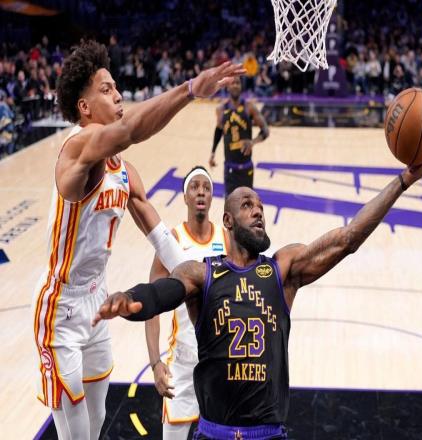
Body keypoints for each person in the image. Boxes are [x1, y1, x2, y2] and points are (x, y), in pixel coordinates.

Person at [93, 143, 422, 439]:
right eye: (247, 205)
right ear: (227, 220)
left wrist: (403, 181)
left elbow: (346, 239)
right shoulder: (203, 274)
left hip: (267, 434)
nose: (258, 212)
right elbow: (163, 293)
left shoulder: (282, 270)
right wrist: (132, 299)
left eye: (261, 207)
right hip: (214, 432)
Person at [31, 40, 244, 440]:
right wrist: (190, 90)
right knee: (76, 434)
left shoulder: (124, 171)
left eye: (116, 86)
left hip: (96, 299)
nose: (118, 95)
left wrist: (206, 284)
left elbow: (162, 239)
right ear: (84, 107)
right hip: (60, 309)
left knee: (97, 419)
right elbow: (129, 131)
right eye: (106, 89)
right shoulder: (77, 150)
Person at [145, 166, 230, 439]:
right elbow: (151, 306)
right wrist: (155, 363)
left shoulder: (226, 239)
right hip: (182, 363)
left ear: (212, 196)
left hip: (219, 361)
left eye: (206, 187)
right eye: (195, 187)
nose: (201, 192)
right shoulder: (173, 241)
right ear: (185, 196)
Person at [209, 77, 269, 196]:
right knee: (230, 204)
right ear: (227, 87)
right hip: (230, 168)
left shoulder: (249, 107)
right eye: (232, 83)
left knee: (247, 204)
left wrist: (253, 142)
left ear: (241, 86)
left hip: (246, 167)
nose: (235, 85)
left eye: (238, 83)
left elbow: (265, 131)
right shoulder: (221, 109)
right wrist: (213, 153)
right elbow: (219, 130)